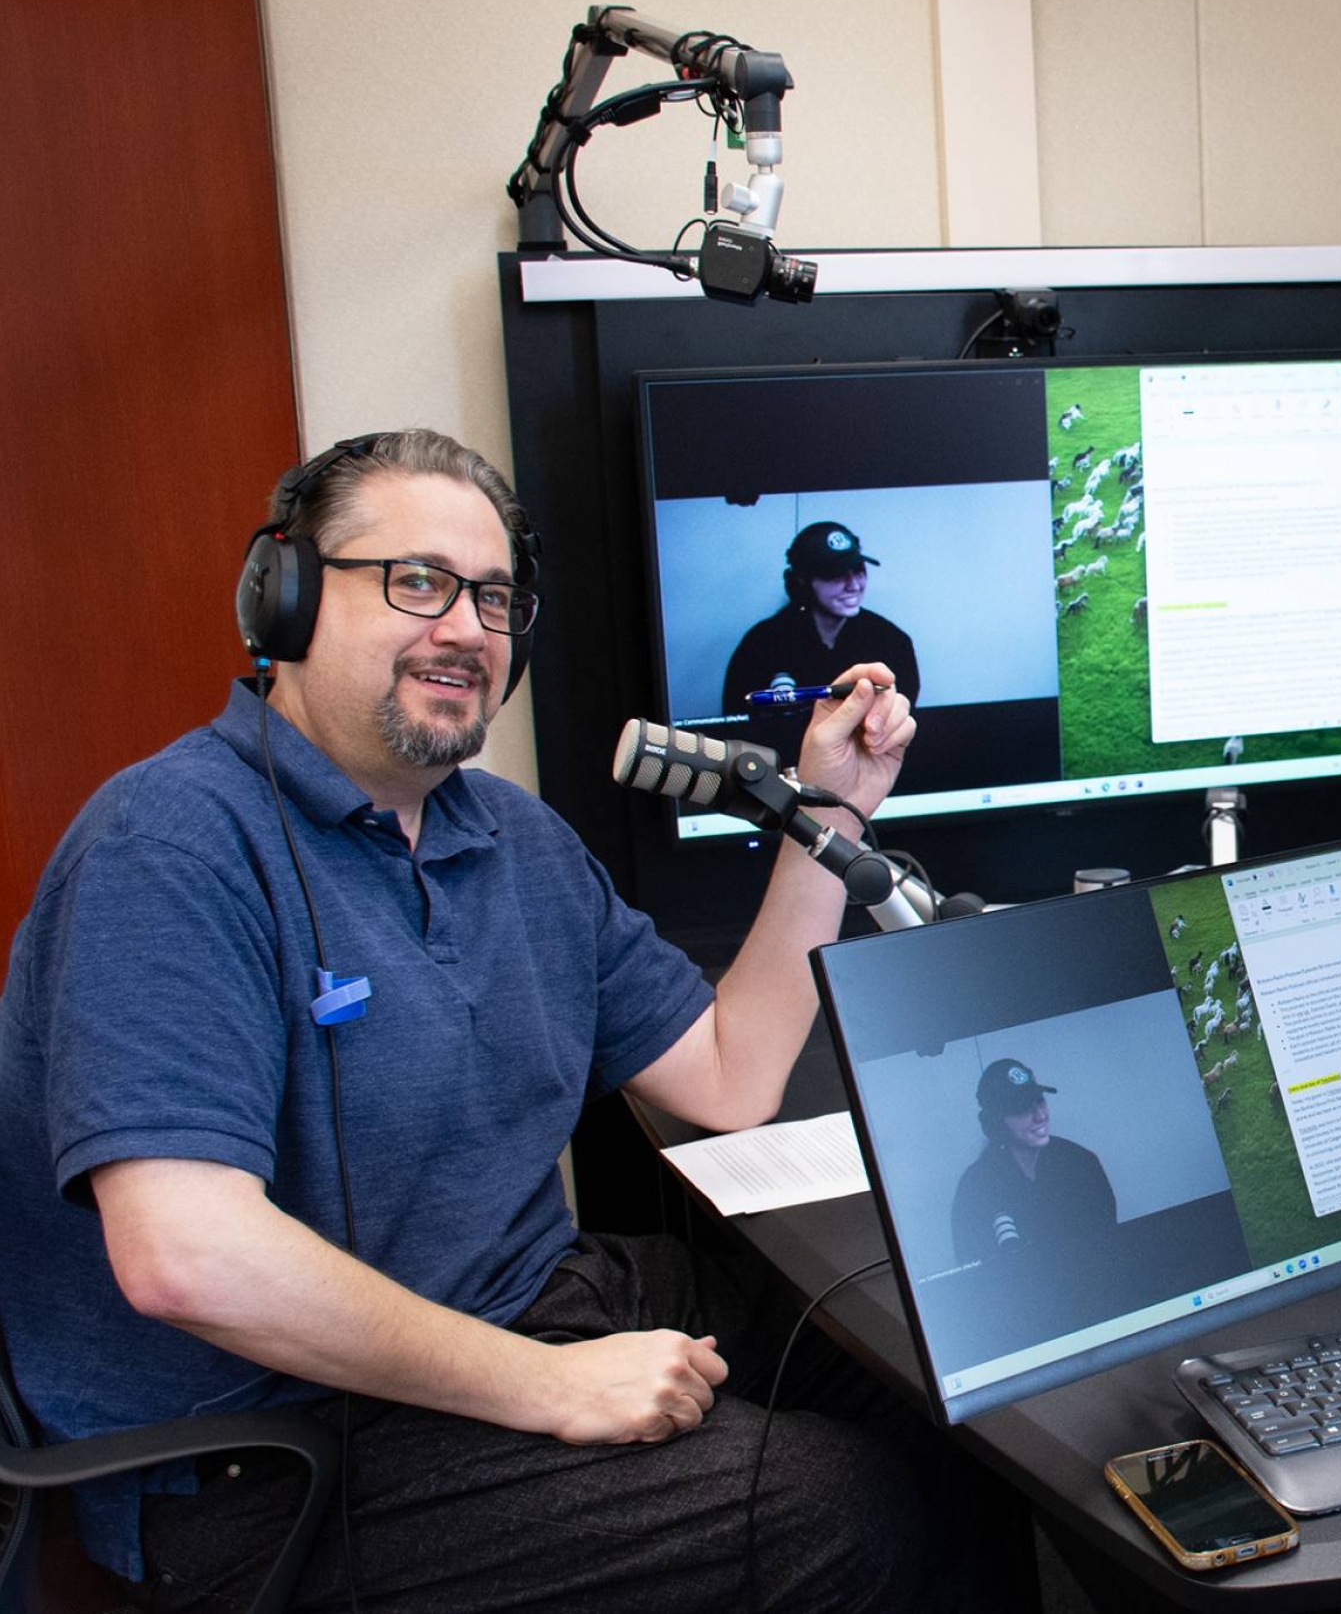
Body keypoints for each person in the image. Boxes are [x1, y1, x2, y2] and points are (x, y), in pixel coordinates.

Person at [0, 432, 1034, 1612]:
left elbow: (730, 1077)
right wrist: (551, 1388)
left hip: (524, 1300)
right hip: (270, 1449)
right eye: (417, 581)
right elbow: (186, 1258)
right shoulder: (169, 848)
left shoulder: (510, 836)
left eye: (493, 598)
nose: (465, 629)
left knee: (940, 1353)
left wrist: (829, 815)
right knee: (829, 1508)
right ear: (285, 596)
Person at [722, 520, 922, 732]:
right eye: (836, 575)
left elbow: (900, 723)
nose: (853, 585)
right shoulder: (762, 645)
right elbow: (738, 724)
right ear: (801, 581)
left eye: (858, 570)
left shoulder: (890, 641)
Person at [950, 1058, 1119, 1268]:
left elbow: (1108, 1246)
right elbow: (976, 1270)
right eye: (1022, 1108)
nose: (1040, 1116)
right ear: (995, 1122)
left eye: (1039, 1100)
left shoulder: (1081, 1163)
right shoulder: (976, 1188)